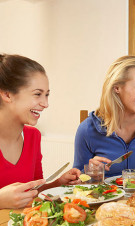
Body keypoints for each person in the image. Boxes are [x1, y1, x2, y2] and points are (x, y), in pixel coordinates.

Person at [0, 54, 81, 209]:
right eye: (37, 94)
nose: (45, 104)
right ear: (7, 94)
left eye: (47, 95)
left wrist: (59, 183)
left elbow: (33, 192)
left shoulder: (32, 136)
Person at [74, 56, 135, 177]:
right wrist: (88, 172)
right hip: (104, 195)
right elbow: (77, 181)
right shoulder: (87, 130)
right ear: (117, 88)